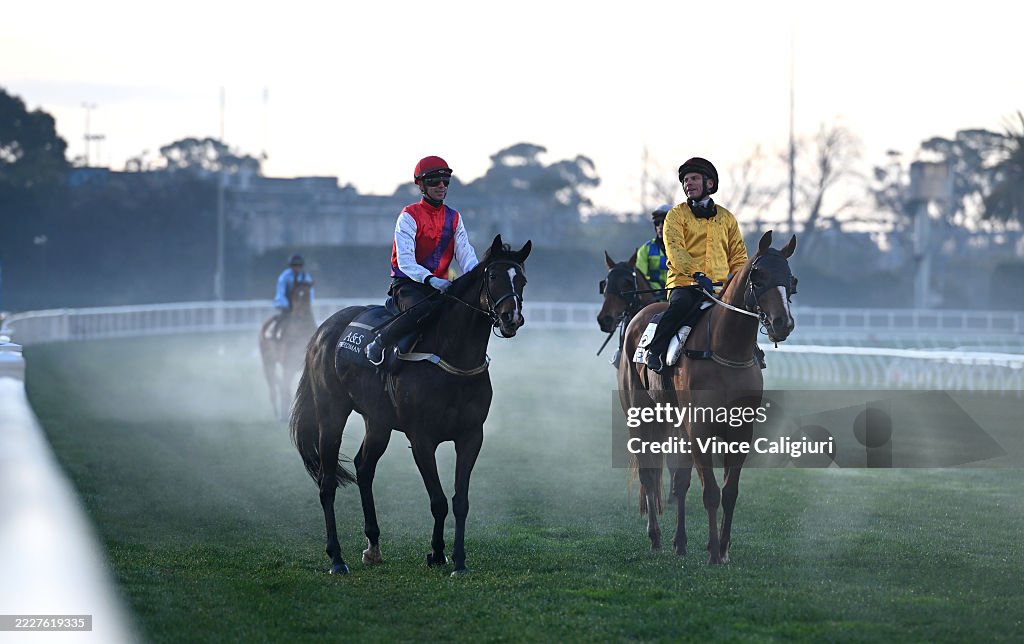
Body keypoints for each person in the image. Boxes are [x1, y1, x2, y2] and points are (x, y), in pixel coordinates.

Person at [365, 156, 479, 366]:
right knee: (424, 309)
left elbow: (466, 255)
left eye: (446, 180)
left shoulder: (454, 217)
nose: (441, 186)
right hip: (408, 285)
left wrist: (477, 277)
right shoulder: (408, 215)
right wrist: (430, 280)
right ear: (421, 185)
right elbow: (405, 261)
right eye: (435, 181)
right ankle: (380, 342)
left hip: (441, 286)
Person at [642, 157, 748, 372]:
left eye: (693, 179)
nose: (688, 183)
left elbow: (737, 256)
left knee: (743, 314)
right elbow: (675, 250)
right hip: (685, 285)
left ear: (709, 183)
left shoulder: (727, 218)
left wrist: (742, 280)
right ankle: (655, 350)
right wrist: (698, 275)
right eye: (685, 180)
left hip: (720, 287)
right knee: (680, 305)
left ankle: (752, 354)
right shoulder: (675, 215)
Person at [635, 203, 672, 300]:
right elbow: (640, 278)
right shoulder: (645, 249)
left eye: (664, 222)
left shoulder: (685, 248)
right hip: (654, 299)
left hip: (677, 296)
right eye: (657, 223)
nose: (660, 226)